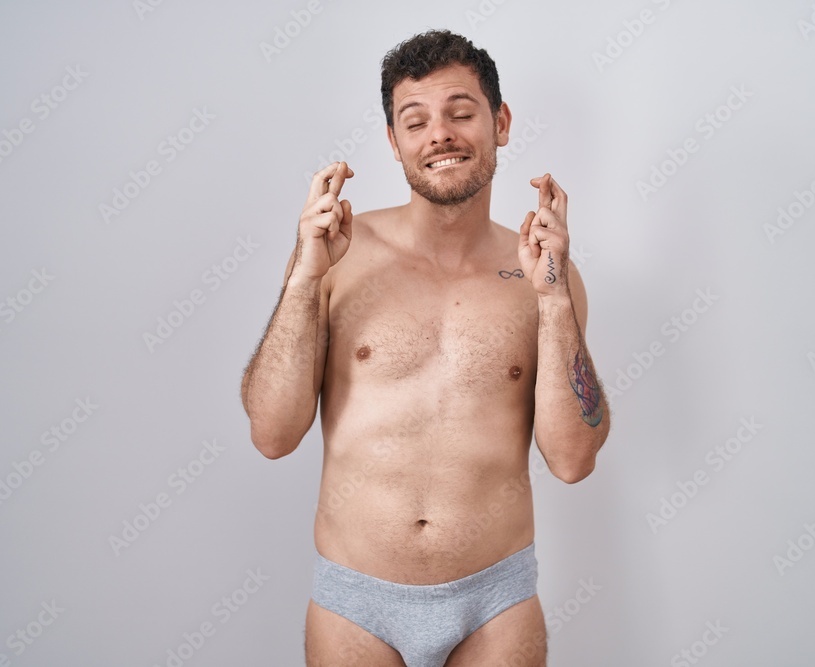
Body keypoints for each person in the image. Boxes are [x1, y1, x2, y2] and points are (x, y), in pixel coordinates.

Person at [241, 29, 610, 667]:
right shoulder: (335, 260)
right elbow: (272, 434)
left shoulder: (546, 274)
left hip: (495, 601)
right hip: (355, 601)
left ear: (500, 122)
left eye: (461, 113)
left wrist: (552, 299)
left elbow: (573, 460)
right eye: (415, 121)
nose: (439, 134)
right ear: (394, 142)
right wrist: (305, 277)